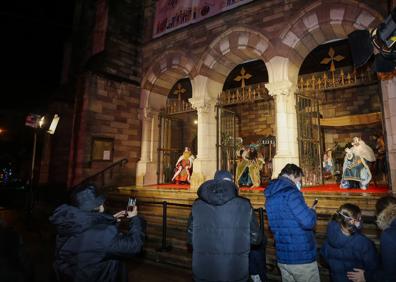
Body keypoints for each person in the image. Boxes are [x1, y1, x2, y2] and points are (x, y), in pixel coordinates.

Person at [49, 184, 145, 282]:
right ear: (100, 206)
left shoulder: (68, 224)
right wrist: (135, 219)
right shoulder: (102, 234)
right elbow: (134, 246)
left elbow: (91, 237)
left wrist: (111, 220)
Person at [187, 170, 262, 282]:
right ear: (232, 183)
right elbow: (256, 239)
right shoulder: (244, 205)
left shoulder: (197, 204)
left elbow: (190, 238)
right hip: (234, 270)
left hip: (204, 268)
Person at [264, 163, 319, 282]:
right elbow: (308, 222)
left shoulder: (270, 195)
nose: (300, 183)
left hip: (283, 257)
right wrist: (312, 212)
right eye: (299, 180)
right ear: (293, 175)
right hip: (301, 256)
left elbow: (274, 226)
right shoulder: (291, 193)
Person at [320, 203, 378, 282]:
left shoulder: (329, 240)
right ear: (354, 221)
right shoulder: (363, 243)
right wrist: (367, 276)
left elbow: (324, 260)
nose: (361, 220)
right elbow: (373, 266)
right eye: (359, 218)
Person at [347, 196, 396, 282]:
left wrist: (366, 276)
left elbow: (390, 275)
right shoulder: (365, 242)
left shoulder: (388, 235)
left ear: (380, 214)